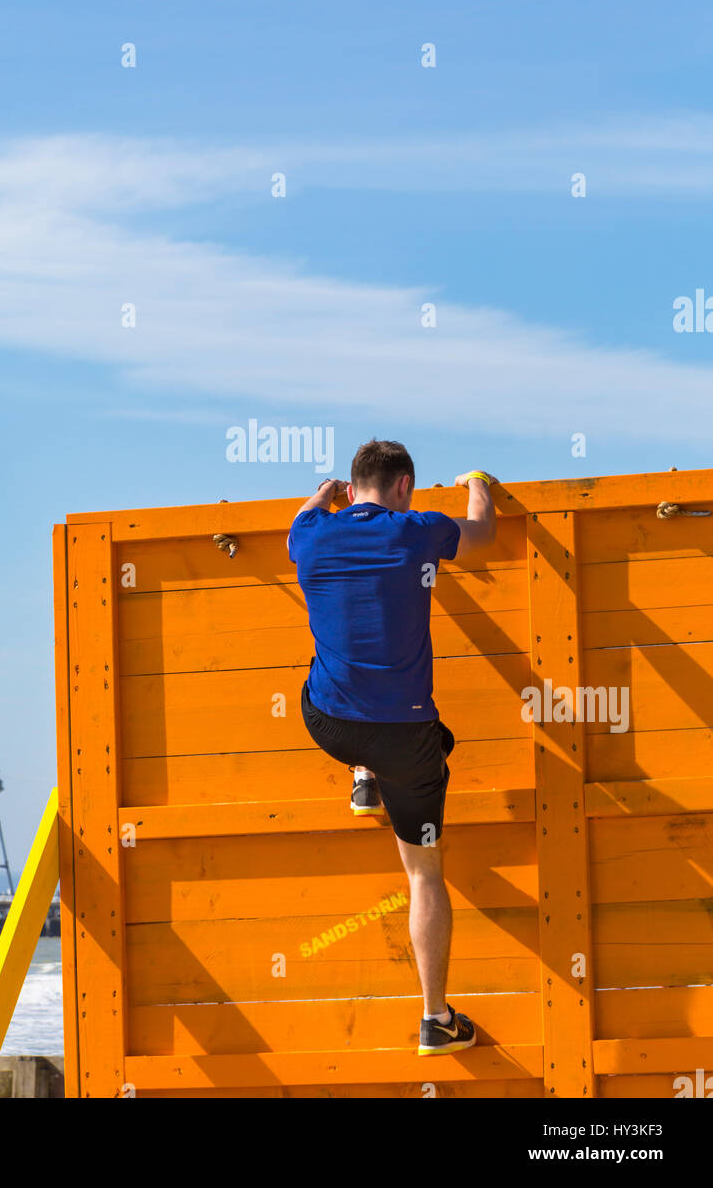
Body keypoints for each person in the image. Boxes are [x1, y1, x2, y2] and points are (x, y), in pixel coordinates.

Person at [287, 439, 497, 1055]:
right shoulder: (416, 532)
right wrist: (478, 480)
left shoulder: (310, 534)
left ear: (350, 491)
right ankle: (437, 1020)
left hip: (328, 724)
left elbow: (297, 522)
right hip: (407, 738)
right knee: (424, 874)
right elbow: (482, 531)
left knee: (327, 671)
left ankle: (361, 777)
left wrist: (322, 499)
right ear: (404, 486)